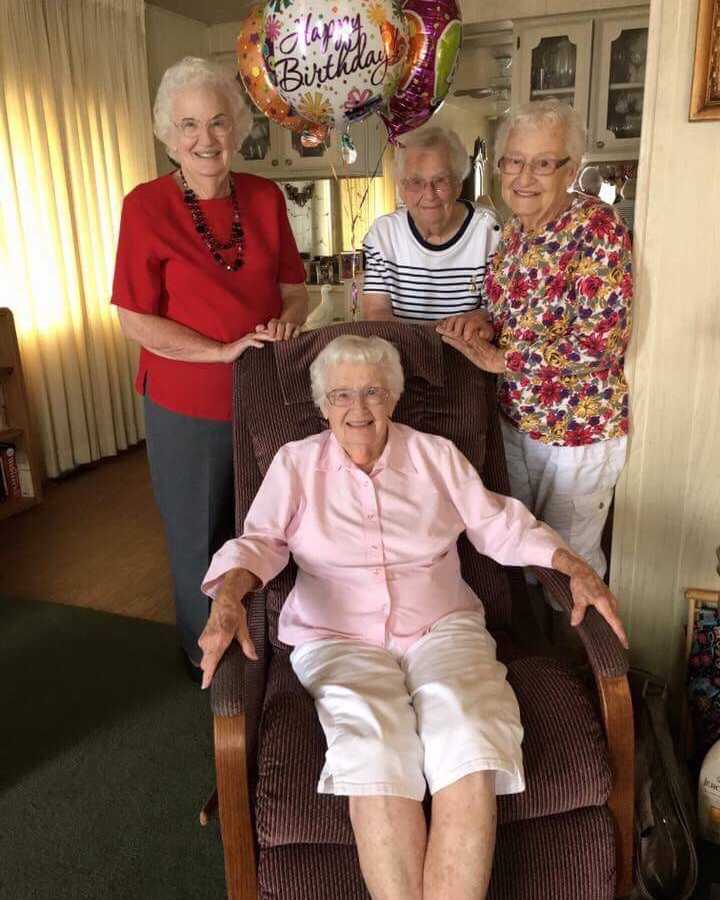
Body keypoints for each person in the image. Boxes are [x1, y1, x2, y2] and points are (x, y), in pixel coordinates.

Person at [198, 335, 628, 899]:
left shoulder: (434, 455)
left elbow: (498, 524)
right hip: (338, 637)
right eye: (342, 394)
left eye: (373, 392)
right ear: (322, 404)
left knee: (470, 730)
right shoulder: (296, 464)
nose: (358, 408)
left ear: (394, 398)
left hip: (441, 626)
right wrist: (229, 595)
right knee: (373, 745)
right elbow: (261, 542)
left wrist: (571, 564)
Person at [111, 57, 308, 679]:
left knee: (267, 526)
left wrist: (286, 322)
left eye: (218, 121)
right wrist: (218, 351)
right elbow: (135, 319)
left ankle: (268, 641)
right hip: (185, 404)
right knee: (199, 536)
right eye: (189, 124)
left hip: (265, 395)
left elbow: (294, 287)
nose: (205, 138)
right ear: (169, 135)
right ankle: (208, 658)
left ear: (239, 126)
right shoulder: (145, 208)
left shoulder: (265, 196)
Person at [440, 99, 632, 580]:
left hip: (575, 431)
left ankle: (583, 655)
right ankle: (540, 651)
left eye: (543, 163)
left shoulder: (597, 228)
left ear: (570, 169)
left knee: (571, 563)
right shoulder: (513, 231)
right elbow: (513, 313)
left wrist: (503, 361)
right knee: (524, 551)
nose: (525, 176)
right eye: (514, 161)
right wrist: (483, 320)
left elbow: (599, 342)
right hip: (516, 422)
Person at [362, 126, 500, 340]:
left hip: (467, 359)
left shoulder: (490, 231)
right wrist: (441, 334)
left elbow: (496, 312)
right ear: (401, 188)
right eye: (416, 182)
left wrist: (476, 319)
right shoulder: (383, 234)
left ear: (458, 184)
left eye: (440, 181)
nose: (429, 195)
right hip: (402, 356)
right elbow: (376, 316)